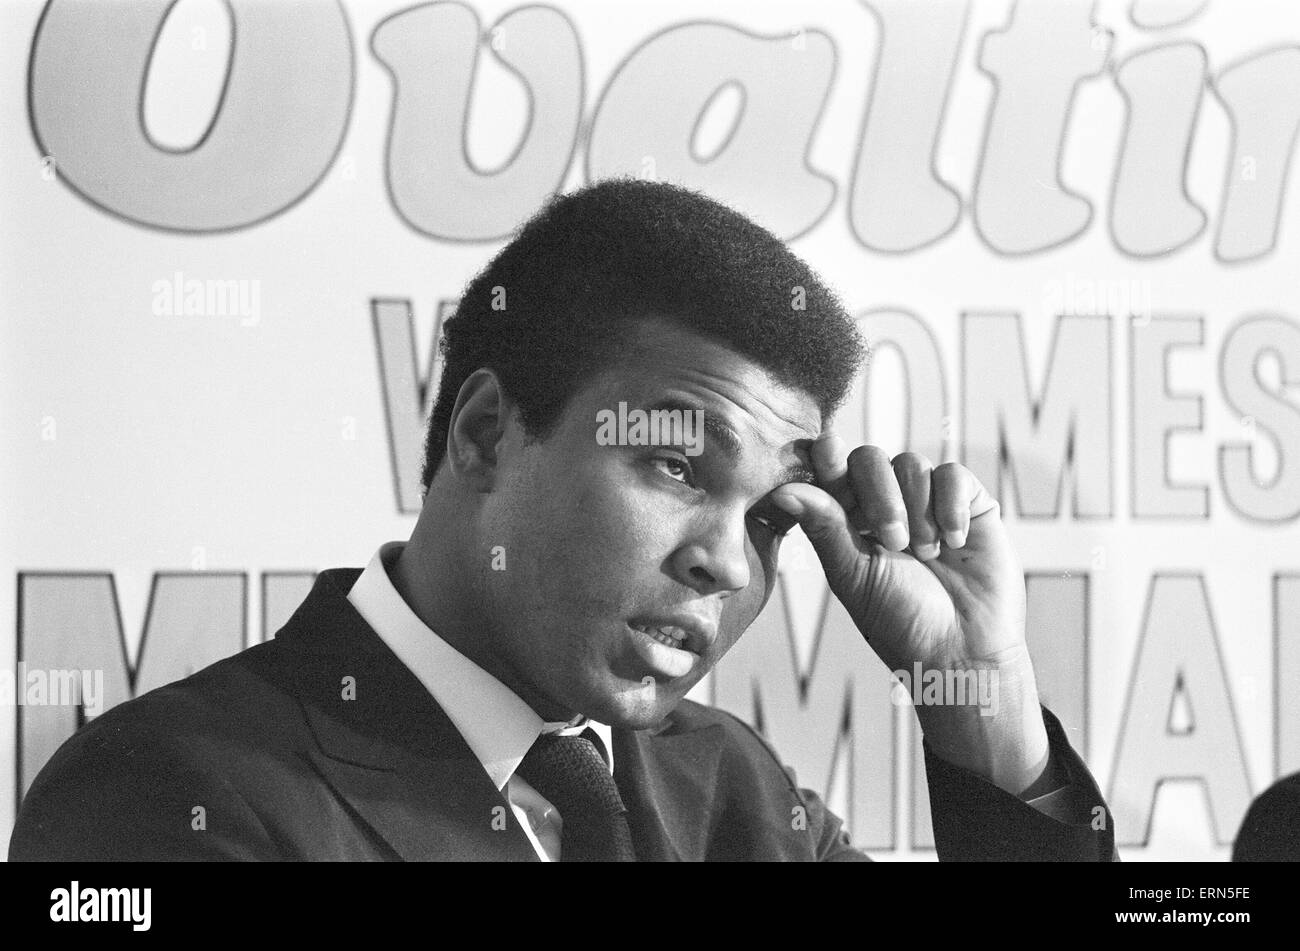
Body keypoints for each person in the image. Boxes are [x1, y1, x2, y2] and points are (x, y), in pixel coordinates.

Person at [10, 179, 1114, 861]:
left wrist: (981, 704)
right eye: (676, 465)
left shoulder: (733, 790)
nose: (727, 561)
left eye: (773, 520)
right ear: (487, 433)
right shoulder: (172, 793)